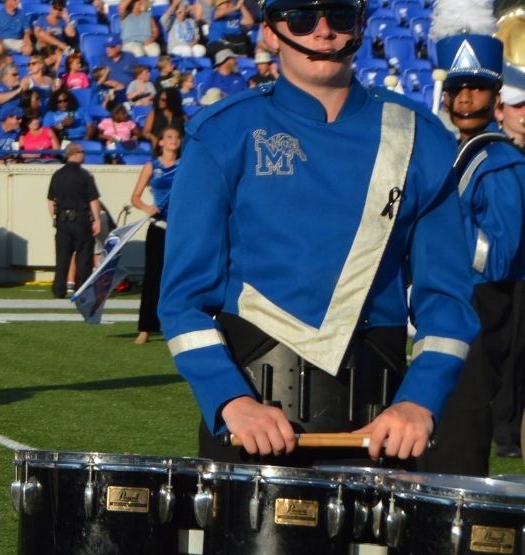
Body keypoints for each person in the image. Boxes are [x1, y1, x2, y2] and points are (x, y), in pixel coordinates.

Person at [160, 0, 476, 467]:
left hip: (382, 427)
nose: (323, 32)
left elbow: (446, 303)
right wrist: (231, 401)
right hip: (249, 427)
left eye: (340, 16)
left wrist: (419, 401)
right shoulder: (224, 133)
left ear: (361, 26)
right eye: (302, 18)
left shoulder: (419, 136)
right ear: (270, 34)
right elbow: (183, 300)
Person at [413, 26, 525, 475]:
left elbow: (499, 252)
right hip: (451, 296)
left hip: (483, 301)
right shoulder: (448, 151)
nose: (464, 98)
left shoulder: (502, 162)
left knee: (461, 419)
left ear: (496, 99)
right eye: (457, 88)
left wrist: (439, 239)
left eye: (476, 88)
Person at [129, 126, 181, 344]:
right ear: (160, 142)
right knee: (152, 278)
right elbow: (135, 197)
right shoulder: (152, 166)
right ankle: (146, 328)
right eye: (169, 137)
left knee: (178, 277)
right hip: (159, 227)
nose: (174, 141)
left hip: (180, 228)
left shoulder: (186, 165)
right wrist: (146, 207)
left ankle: (177, 325)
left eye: (177, 137)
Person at [47, 142, 99, 298]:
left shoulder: (57, 174)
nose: (84, 155)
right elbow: (93, 200)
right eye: (82, 152)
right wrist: (97, 219)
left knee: (62, 257)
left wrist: (55, 218)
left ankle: (59, 289)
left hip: (63, 220)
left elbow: (51, 200)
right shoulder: (85, 175)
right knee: (83, 257)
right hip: (81, 220)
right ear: (75, 153)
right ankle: (81, 289)